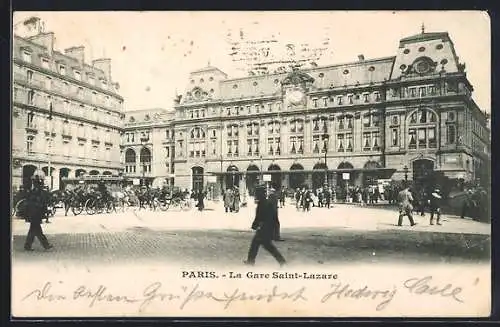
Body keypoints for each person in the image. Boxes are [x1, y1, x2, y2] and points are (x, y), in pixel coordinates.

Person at [244, 185, 286, 266]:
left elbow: (259, 217)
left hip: (263, 229)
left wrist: (255, 225)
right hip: (266, 229)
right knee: (263, 246)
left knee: (262, 246)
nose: (256, 195)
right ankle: (250, 261)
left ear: (260, 194)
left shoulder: (263, 203)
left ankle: (251, 261)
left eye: (257, 193)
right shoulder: (266, 202)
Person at [24, 171, 53, 251]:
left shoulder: (33, 191)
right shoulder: (37, 192)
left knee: (33, 230)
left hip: (33, 214)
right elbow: (40, 203)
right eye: (41, 183)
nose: (42, 185)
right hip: (35, 214)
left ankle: (28, 245)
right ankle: (45, 245)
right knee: (37, 231)